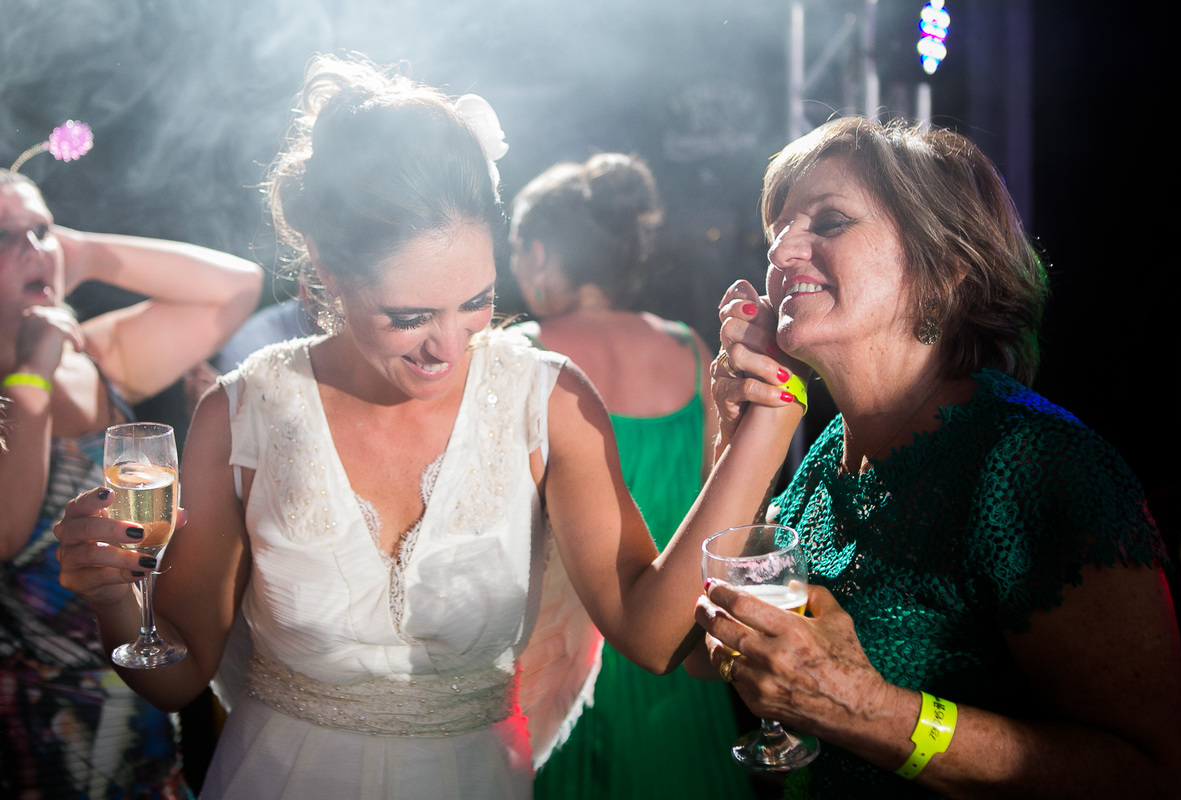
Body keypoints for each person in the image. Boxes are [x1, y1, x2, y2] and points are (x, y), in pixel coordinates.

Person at [52, 54, 784, 800]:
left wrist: (763, 429)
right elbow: (176, 681)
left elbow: (655, 636)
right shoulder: (244, 412)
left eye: (476, 302)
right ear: (326, 269)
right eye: (409, 317)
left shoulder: (547, 399)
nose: (449, 347)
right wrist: (113, 597)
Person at [691, 115, 1181, 798]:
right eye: (776, 232)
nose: (780, 252)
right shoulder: (828, 457)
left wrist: (871, 710)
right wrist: (736, 436)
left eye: (830, 221)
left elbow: (1161, 777)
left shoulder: (1033, 464)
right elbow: (705, 645)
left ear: (946, 270)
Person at [0, 164, 263, 797]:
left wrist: (80, 253)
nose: (33, 248)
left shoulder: (96, 356)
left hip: (142, 697)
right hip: (35, 729)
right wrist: (32, 372)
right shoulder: (37, 376)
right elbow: (5, 533)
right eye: (4, 237)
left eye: (41, 230)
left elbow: (235, 286)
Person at [509, 153, 755, 799]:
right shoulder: (689, 347)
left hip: (564, 666)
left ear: (539, 254)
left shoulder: (524, 357)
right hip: (681, 653)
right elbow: (724, 512)